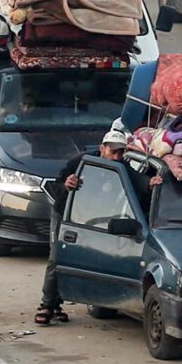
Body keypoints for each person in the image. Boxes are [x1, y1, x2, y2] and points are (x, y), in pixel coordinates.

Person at [35, 128, 129, 324]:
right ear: (102, 148)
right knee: (57, 258)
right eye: (113, 152)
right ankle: (46, 304)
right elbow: (56, 185)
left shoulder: (123, 167)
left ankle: (55, 304)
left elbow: (136, 184)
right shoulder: (81, 162)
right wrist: (67, 185)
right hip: (67, 214)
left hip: (95, 217)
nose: (117, 157)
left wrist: (151, 183)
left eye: (121, 152)